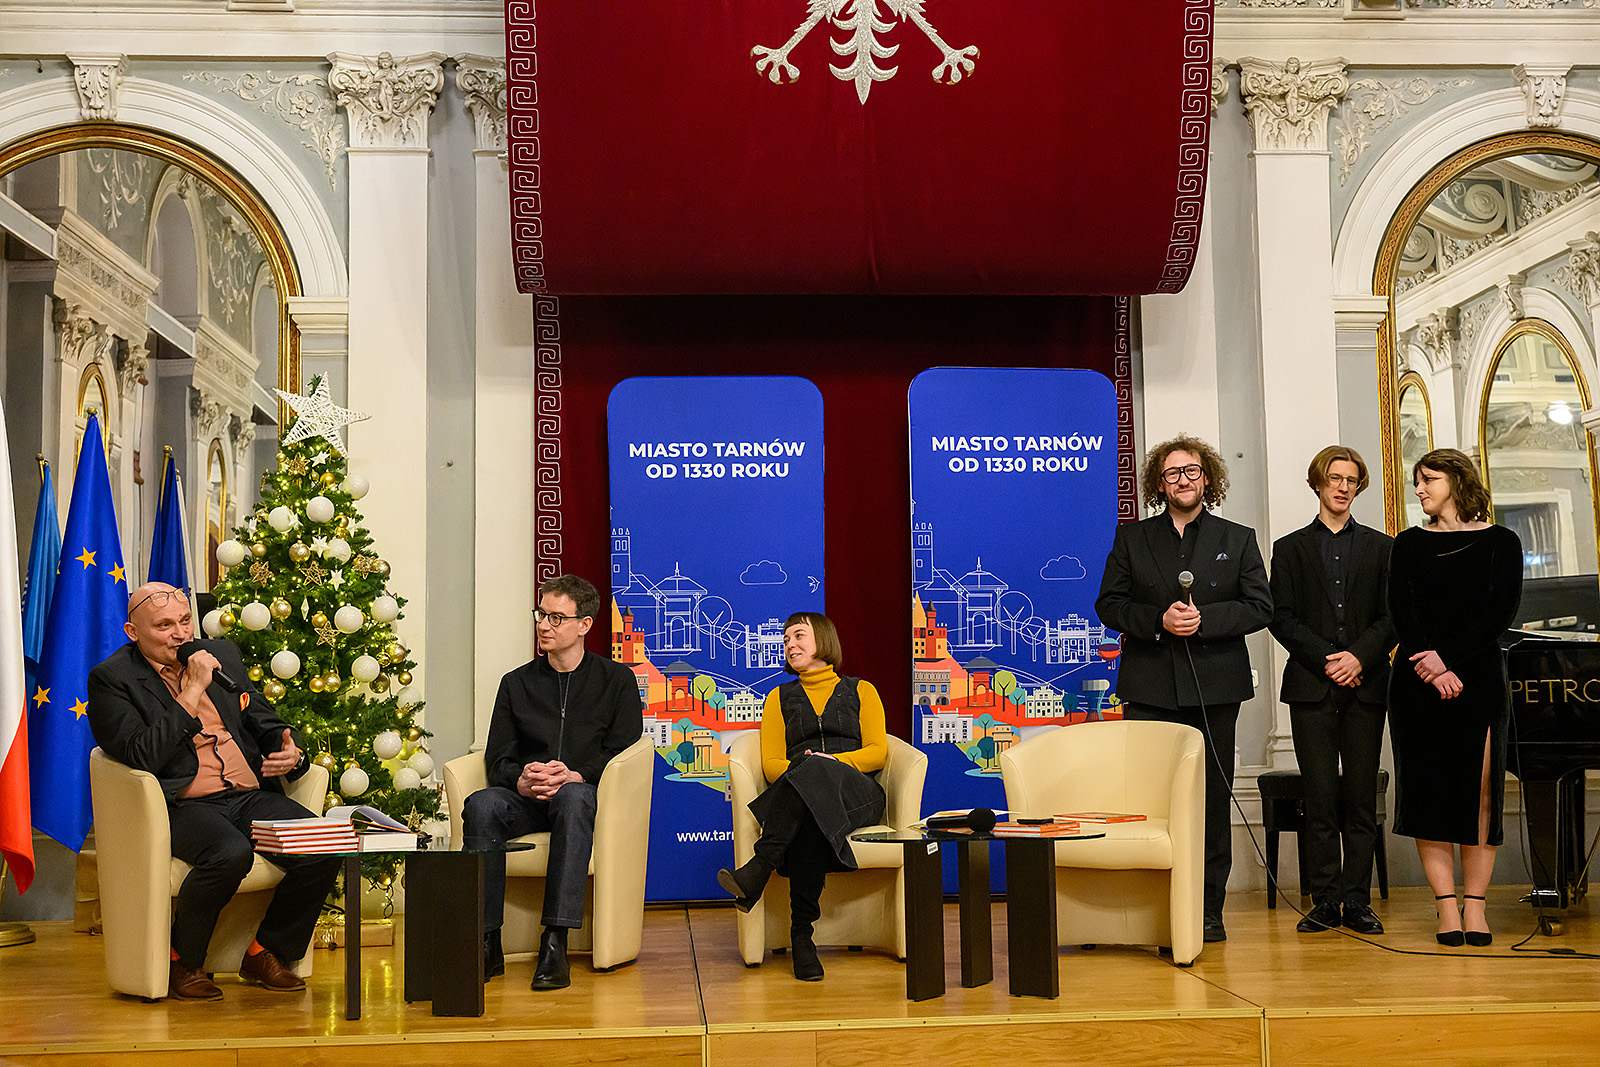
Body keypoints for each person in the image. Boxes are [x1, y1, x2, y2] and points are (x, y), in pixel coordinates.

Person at [87, 583, 337, 1001]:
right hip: (179, 803)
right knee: (229, 853)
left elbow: (263, 719)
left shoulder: (221, 655)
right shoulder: (112, 679)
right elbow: (142, 755)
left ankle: (266, 951)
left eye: (185, 621)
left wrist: (289, 751)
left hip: (246, 795)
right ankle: (183, 961)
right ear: (133, 632)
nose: (180, 634)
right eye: (164, 626)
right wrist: (191, 692)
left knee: (324, 844)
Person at [1095, 434, 1272, 944]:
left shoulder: (1238, 538)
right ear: (1160, 483)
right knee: (1153, 799)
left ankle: (1208, 911)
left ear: (1207, 478)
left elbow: (1260, 606)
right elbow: (1109, 605)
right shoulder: (1131, 538)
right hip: (1149, 690)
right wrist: (1159, 621)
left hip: (1216, 690)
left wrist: (1203, 621)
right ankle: (1156, 908)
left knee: (1212, 801)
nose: (1183, 480)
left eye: (1192, 471)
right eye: (1172, 473)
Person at [464, 574, 644, 989]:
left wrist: (577, 774)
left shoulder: (616, 681)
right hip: (528, 801)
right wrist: (522, 780)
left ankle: (555, 942)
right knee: (482, 804)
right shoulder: (516, 683)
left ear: (584, 625)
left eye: (556, 618)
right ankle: (487, 942)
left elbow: (623, 750)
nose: (544, 625)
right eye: (541, 615)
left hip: (584, 799)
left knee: (574, 797)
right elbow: (498, 758)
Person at [1389, 448, 1522, 947]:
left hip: (1477, 679)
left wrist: (1446, 660)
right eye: (1417, 481)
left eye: (1428, 479)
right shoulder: (1408, 543)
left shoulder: (1502, 542)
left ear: (1457, 481)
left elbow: (1500, 613)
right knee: (1429, 791)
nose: (1419, 489)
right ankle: (1446, 906)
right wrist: (1430, 664)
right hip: (1417, 682)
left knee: (1481, 790)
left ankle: (1476, 906)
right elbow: (1400, 610)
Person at [716, 612, 887, 981]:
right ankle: (802, 937)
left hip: (858, 795)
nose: (790, 645)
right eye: (785, 640)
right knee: (809, 814)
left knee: (814, 771)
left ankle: (760, 866)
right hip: (805, 796)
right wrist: (809, 768)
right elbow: (771, 765)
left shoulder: (861, 690)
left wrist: (832, 762)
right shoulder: (779, 697)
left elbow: (877, 753)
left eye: (798, 636)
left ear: (823, 639)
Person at [1268, 445, 1395, 936]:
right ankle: (1324, 901)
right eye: (1335, 478)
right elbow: (1281, 618)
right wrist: (1330, 660)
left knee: (1360, 799)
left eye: (1351, 480)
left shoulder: (1383, 547)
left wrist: (1358, 657)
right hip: (1311, 687)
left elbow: (1392, 616)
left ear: (1358, 487)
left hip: (1367, 686)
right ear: (1318, 482)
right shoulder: (1289, 548)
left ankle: (1357, 901)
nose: (1343, 487)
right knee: (1319, 798)